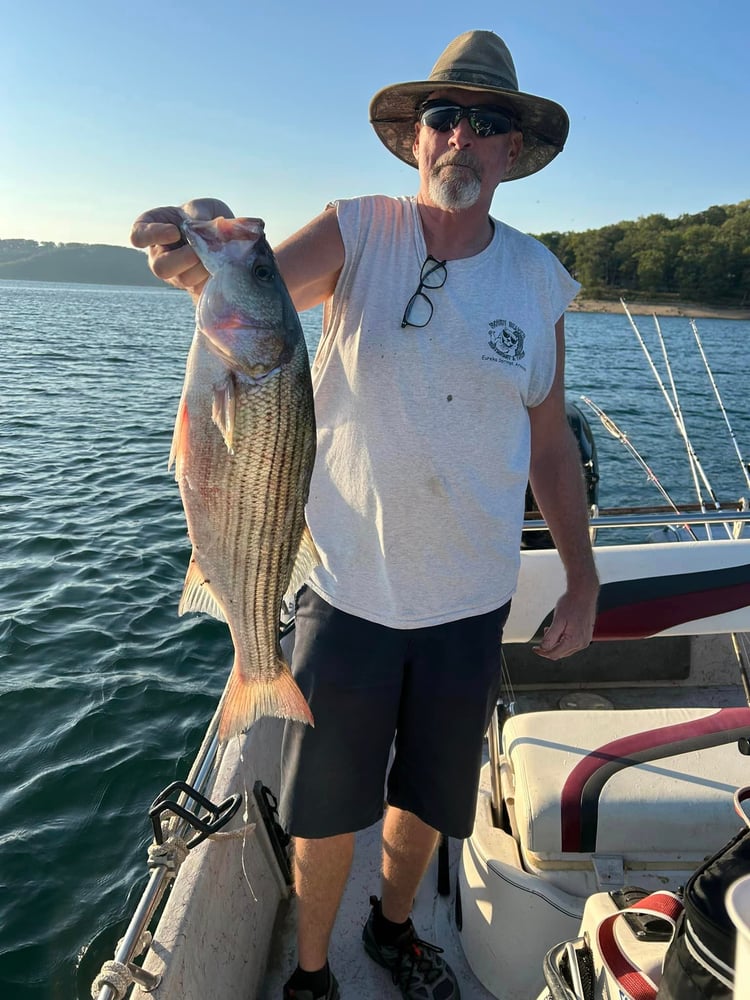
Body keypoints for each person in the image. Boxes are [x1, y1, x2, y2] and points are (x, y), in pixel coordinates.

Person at [131, 29, 599, 1000]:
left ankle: (391, 931)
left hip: (471, 602)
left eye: (488, 121)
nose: (462, 135)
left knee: (428, 798)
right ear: (415, 140)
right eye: (445, 115)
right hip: (343, 595)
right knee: (324, 811)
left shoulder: (539, 280)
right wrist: (198, 250)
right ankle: (312, 972)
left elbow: (550, 445)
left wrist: (583, 575)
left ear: (513, 150)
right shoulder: (357, 230)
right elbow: (248, 293)